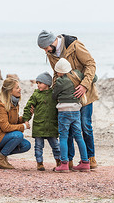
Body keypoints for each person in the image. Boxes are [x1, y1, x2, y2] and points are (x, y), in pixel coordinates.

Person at [37, 30, 99, 170]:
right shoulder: (50, 53)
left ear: (52, 42)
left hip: (83, 94)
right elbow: (56, 74)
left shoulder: (75, 45)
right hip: (66, 98)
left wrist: (84, 85)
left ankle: (90, 159)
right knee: (68, 130)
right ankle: (69, 161)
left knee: (85, 126)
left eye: (46, 48)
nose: (46, 51)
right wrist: (55, 93)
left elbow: (91, 64)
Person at [0, 78, 31, 169]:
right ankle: (1, 159)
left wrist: (27, 116)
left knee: (26, 145)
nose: (20, 89)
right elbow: (6, 127)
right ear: (10, 91)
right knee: (18, 135)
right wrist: (23, 126)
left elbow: (14, 121)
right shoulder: (0, 105)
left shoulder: (14, 103)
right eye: (17, 88)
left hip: (2, 135)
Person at [52, 58, 90, 173]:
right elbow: (95, 77)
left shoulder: (60, 81)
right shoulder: (77, 74)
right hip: (76, 110)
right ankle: (85, 162)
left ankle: (64, 164)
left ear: (60, 72)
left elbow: (54, 95)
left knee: (63, 136)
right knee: (78, 136)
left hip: (64, 112)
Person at [22, 72, 61, 171]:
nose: (38, 85)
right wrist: (26, 119)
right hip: (39, 125)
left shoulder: (53, 95)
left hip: (51, 125)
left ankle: (59, 161)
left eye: (40, 83)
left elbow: (59, 107)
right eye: (37, 83)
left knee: (56, 146)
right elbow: (28, 107)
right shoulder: (36, 95)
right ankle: (39, 163)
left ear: (47, 83)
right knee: (38, 146)